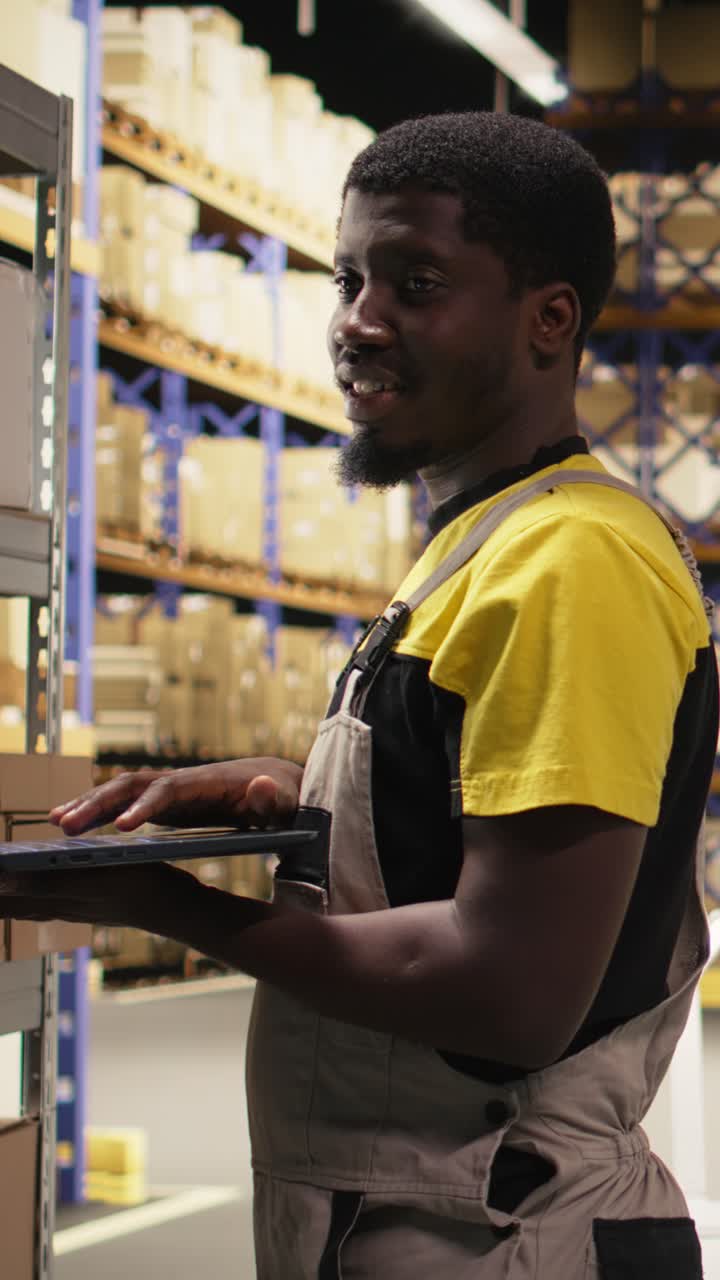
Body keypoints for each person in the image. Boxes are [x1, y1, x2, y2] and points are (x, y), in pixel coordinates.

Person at [1, 112, 717, 1278]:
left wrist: (167, 906)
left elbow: (514, 988)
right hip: (436, 1217)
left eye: (418, 282)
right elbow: (480, 817)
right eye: (349, 277)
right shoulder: (485, 544)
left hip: (502, 1232)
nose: (358, 322)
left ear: (550, 319)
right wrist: (301, 798)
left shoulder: (570, 564)